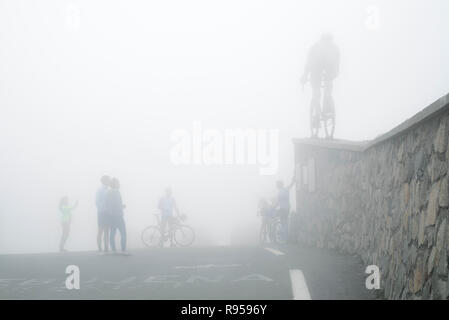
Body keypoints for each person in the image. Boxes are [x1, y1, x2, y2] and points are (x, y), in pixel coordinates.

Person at [301, 33, 340, 133]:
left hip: (317, 71)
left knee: (316, 92)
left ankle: (317, 116)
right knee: (327, 91)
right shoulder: (334, 48)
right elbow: (336, 65)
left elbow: (308, 63)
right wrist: (333, 75)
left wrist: (305, 77)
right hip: (328, 71)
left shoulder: (315, 47)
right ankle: (327, 109)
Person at [106, 178, 128, 254]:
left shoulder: (108, 192)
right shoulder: (117, 192)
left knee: (112, 232)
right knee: (123, 232)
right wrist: (122, 206)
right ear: (115, 184)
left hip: (111, 216)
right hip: (118, 215)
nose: (119, 184)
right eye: (118, 183)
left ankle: (113, 250)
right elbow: (117, 204)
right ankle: (123, 250)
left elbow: (109, 204)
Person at [274, 178, 295, 243]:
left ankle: (284, 238)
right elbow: (290, 185)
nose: (276, 186)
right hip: (286, 208)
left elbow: (278, 202)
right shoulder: (285, 189)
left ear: (280, 185)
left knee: (283, 223)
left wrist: (273, 207)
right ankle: (285, 237)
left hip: (283, 208)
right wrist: (293, 180)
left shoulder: (281, 191)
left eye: (277, 184)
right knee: (284, 222)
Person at [95, 175, 110, 252]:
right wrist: (103, 209)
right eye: (108, 180)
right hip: (101, 212)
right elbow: (97, 202)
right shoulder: (100, 190)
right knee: (100, 230)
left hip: (107, 213)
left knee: (107, 230)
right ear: (104, 181)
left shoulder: (108, 190)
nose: (109, 181)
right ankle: (100, 247)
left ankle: (106, 247)